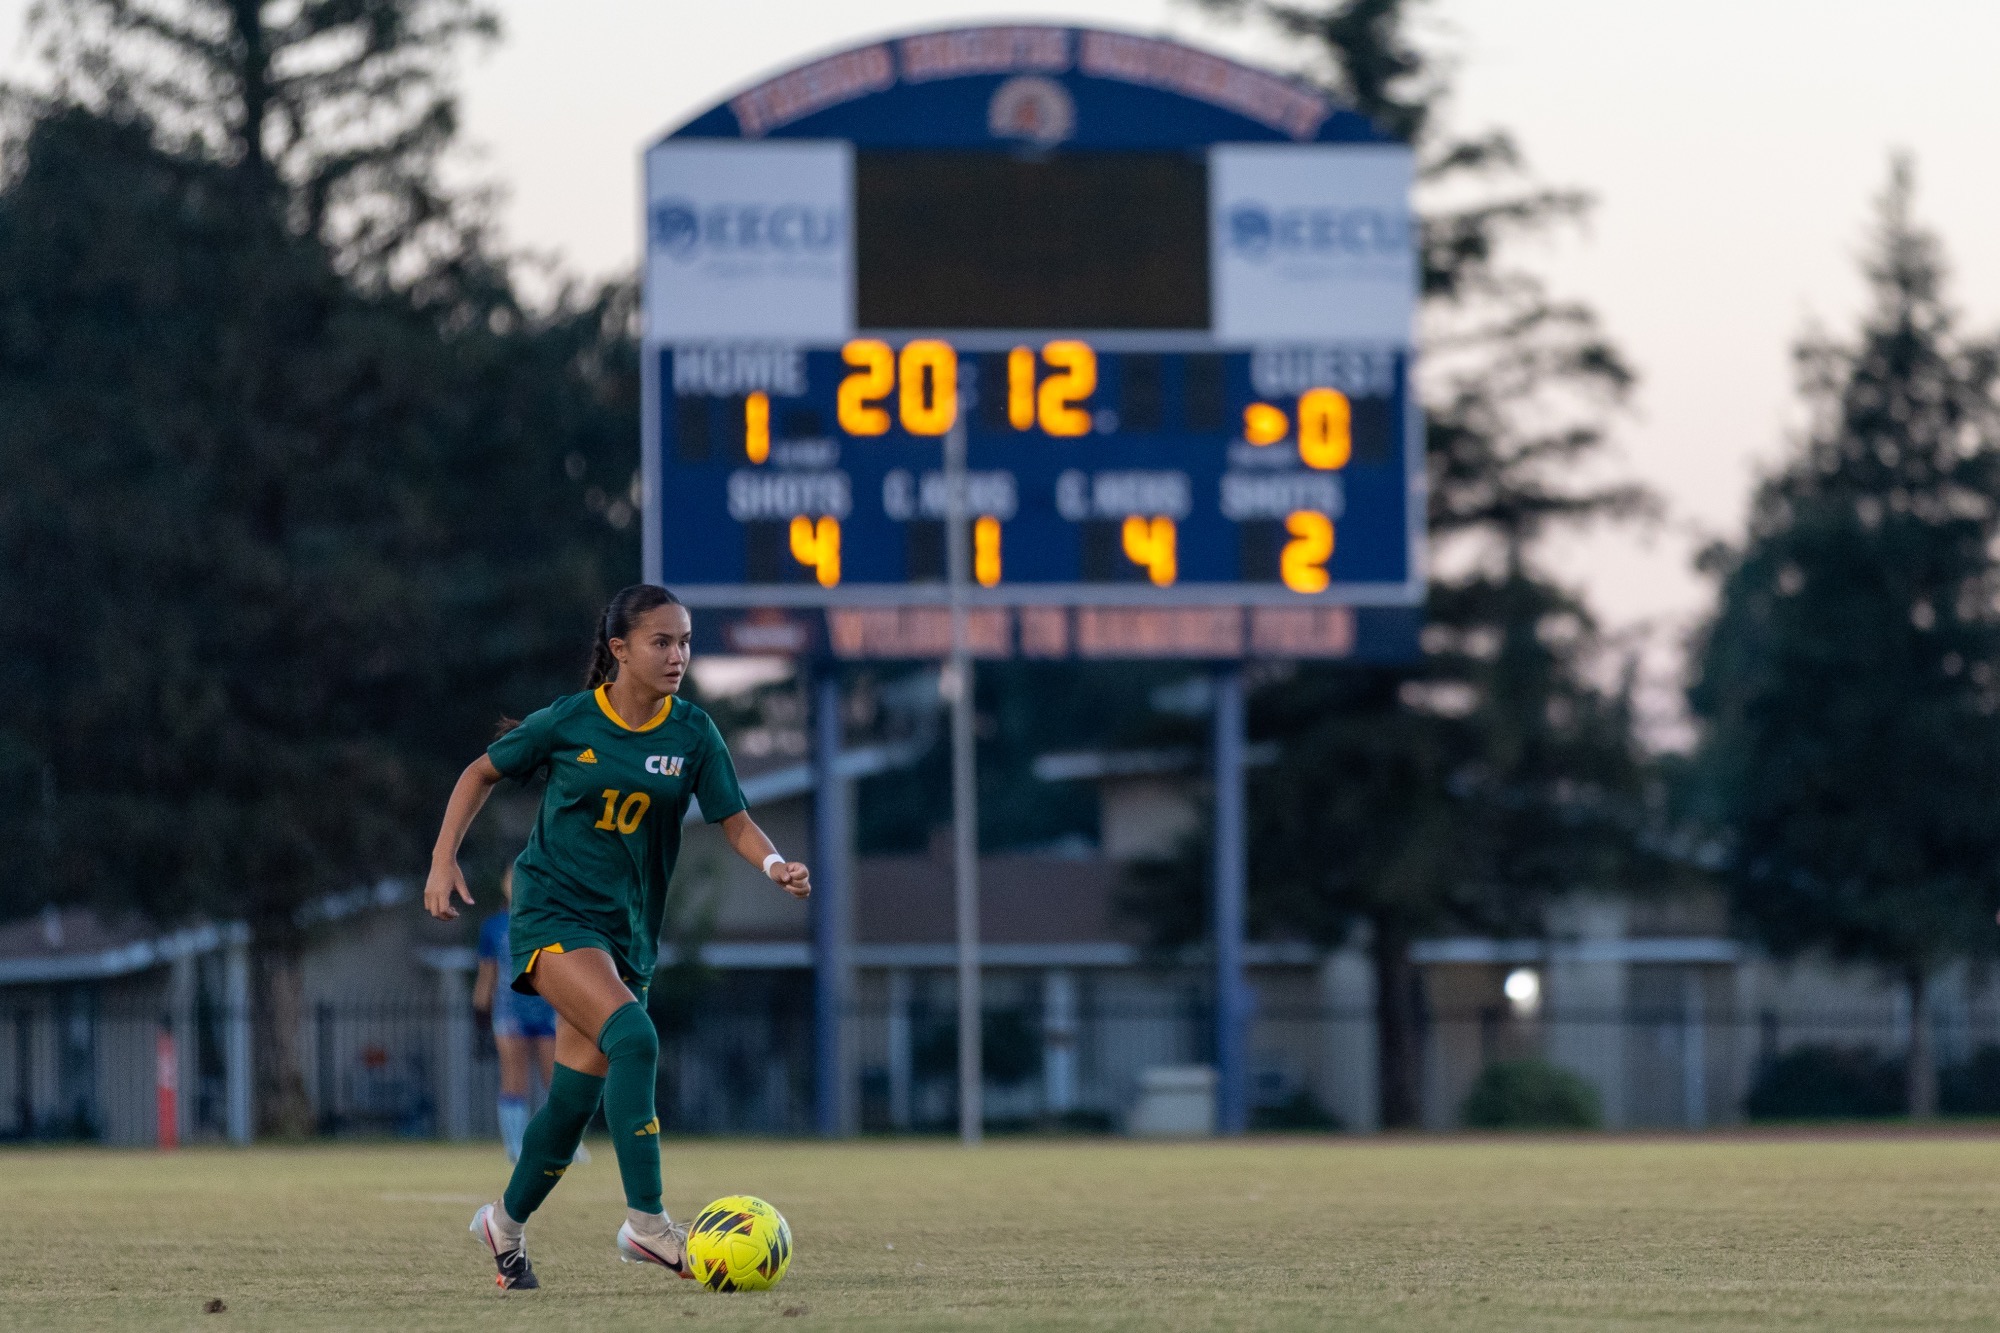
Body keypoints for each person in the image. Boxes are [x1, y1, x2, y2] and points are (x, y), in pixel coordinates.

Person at [425, 585, 811, 1290]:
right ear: (620, 650)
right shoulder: (571, 720)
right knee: (634, 1036)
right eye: (661, 641)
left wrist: (775, 864)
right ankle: (648, 1225)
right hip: (552, 914)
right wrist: (442, 858)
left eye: (685, 641)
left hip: (626, 933)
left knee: (573, 1103)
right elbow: (481, 771)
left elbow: (734, 819)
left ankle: (503, 1225)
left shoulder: (693, 733)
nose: (677, 655)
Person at [473, 864, 587, 1165]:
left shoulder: (550, 921)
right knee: (515, 1078)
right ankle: (516, 1145)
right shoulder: (494, 926)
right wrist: (480, 1011)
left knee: (556, 1079)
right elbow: (487, 974)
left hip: (546, 1009)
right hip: (510, 1011)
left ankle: (567, 1142)